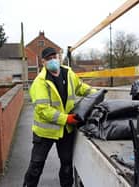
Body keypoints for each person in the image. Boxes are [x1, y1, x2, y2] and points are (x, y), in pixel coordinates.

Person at [23, 47, 96, 187]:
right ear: (43, 62)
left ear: (59, 57)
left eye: (54, 57)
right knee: (36, 167)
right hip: (45, 133)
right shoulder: (40, 82)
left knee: (67, 165)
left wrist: (96, 94)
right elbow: (43, 110)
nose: (53, 61)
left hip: (66, 131)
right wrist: (66, 119)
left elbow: (80, 87)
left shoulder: (68, 73)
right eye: (48, 59)